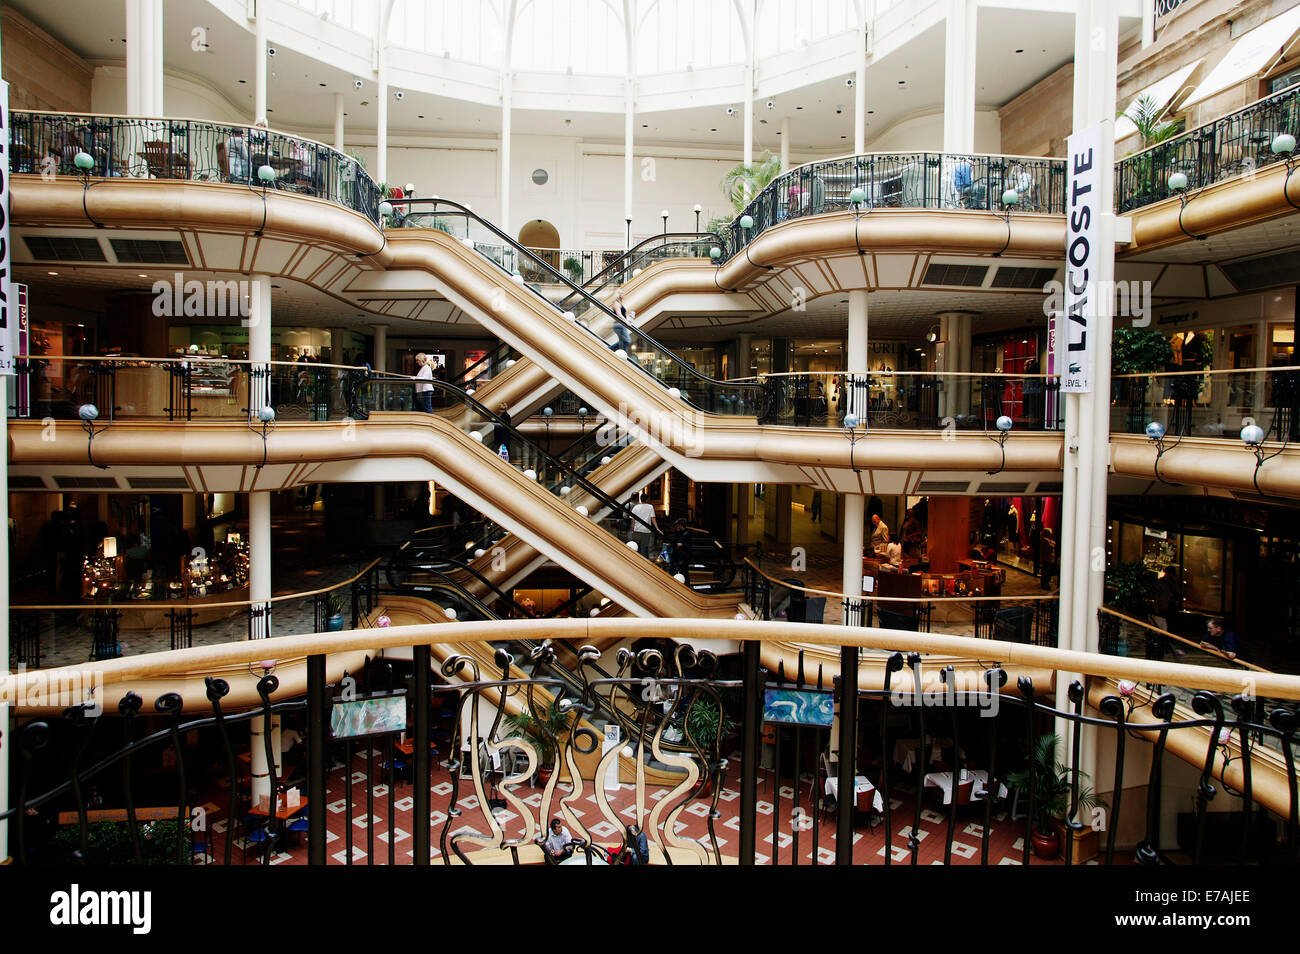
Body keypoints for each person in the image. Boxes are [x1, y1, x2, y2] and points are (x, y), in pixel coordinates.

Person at [629, 492, 659, 558]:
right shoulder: (650, 507)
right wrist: (657, 528)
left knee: (637, 547)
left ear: (640, 499)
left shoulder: (636, 507)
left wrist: (632, 530)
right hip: (646, 530)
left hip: (637, 530)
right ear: (646, 499)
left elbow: (633, 520)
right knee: (645, 548)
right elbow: (653, 518)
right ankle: (645, 561)